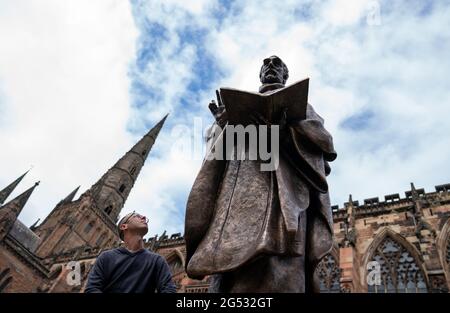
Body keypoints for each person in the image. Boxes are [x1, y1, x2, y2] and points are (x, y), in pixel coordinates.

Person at [184, 55, 337, 292]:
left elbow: (325, 144)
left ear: (285, 76)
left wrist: (285, 131)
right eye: (266, 65)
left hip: (284, 200)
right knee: (231, 276)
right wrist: (223, 125)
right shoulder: (237, 109)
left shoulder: (302, 108)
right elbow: (216, 157)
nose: (271, 67)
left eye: (278, 65)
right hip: (236, 202)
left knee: (279, 271)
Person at [85, 211, 176, 293]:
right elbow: (92, 289)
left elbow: (169, 290)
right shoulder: (106, 257)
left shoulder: (157, 260)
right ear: (124, 226)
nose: (144, 217)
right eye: (137, 216)